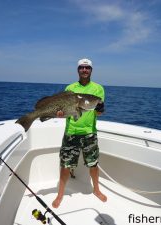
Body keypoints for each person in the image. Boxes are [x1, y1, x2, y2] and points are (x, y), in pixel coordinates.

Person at [52, 58, 107, 208]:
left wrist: (101, 110)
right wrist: (60, 113)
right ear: (78, 70)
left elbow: (99, 112)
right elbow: (63, 111)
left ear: (91, 70)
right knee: (65, 165)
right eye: (82, 67)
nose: (84, 70)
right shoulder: (70, 88)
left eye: (87, 68)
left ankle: (96, 189)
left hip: (89, 132)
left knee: (93, 164)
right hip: (71, 132)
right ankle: (60, 194)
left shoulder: (98, 89)